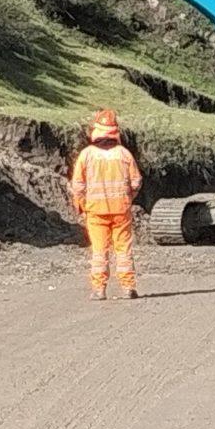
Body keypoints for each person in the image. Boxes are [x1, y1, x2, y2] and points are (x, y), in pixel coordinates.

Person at [71, 110, 143, 301]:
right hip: (121, 211)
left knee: (99, 252)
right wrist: (128, 198)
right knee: (123, 251)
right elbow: (136, 182)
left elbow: (78, 185)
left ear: (96, 131)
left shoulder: (86, 155)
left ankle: (99, 290)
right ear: (115, 131)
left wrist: (82, 204)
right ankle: (128, 288)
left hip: (96, 212)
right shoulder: (124, 154)